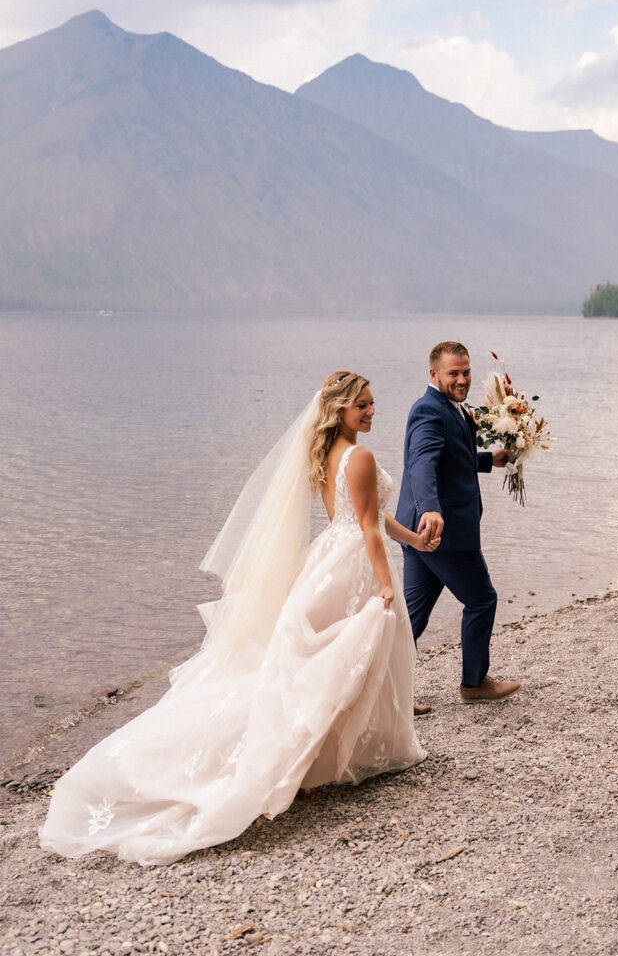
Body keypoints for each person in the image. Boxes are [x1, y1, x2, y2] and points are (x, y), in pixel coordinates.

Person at [40, 371, 433, 866]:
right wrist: (382, 583)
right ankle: (325, 759)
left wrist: (415, 541)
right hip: (353, 565)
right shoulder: (361, 457)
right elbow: (369, 531)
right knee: (337, 663)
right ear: (338, 411)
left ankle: (335, 757)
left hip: (332, 560)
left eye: (373, 404)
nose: (372, 412)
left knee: (329, 665)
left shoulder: (330, 455)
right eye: (363, 406)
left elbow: (365, 516)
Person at [396, 342, 521, 703]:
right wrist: (432, 509)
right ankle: (474, 684)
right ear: (433, 374)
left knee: (409, 621)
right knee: (482, 600)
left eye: (466, 371)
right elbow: (422, 463)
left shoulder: (451, 408)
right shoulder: (428, 411)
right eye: (454, 373)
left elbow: (452, 457)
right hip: (441, 533)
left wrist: (489, 460)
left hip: (418, 532)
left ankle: (381, 697)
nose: (462, 379)